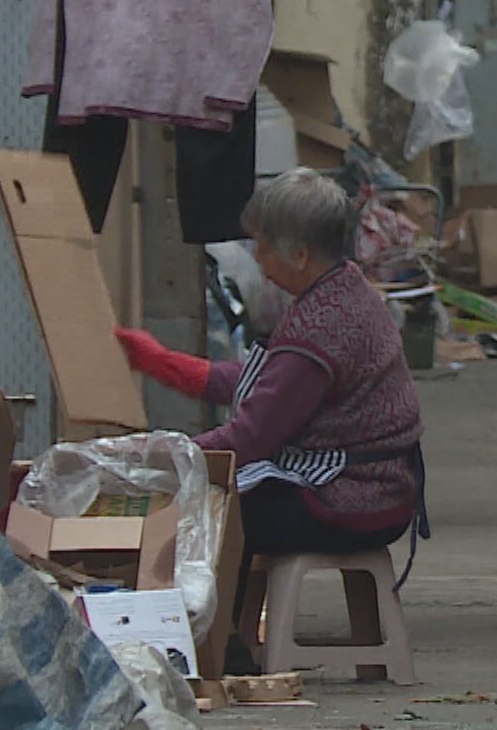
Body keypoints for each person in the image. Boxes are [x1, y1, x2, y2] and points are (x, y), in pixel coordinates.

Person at [114, 168, 428, 664]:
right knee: (226, 492)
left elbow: (250, 437)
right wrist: (164, 364)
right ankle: (224, 641)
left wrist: (162, 456)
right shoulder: (345, 288)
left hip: (354, 493)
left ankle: (219, 650)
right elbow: (266, 380)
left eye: (262, 247)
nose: (258, 259)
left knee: (212, 510)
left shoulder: (321, 326)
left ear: (299, 255)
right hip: (381, 483)